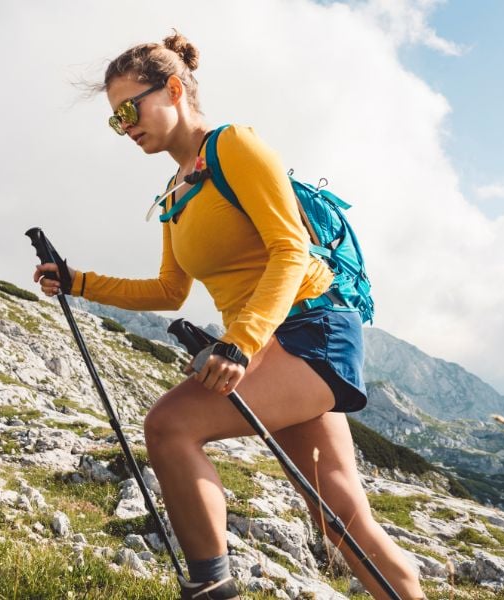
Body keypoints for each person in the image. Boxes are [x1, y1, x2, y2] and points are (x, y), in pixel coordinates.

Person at [35, 32, 425, 600]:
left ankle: (211, 592)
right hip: (272, 340)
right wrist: (79, 282)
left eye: (129, 109)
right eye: (114, 120)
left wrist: (238, 344)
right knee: (337, 514)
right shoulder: (173, 193)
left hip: (311, 329)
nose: (124, 126)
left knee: (170, 425)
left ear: (173, 89)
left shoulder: (234, 146)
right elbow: (170, 291)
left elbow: (291, 249)